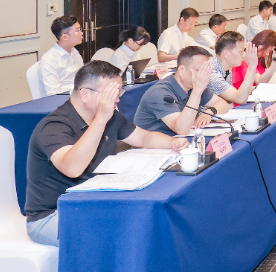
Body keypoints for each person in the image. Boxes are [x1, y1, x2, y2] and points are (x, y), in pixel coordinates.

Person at [24, 61, 188, 247]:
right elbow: (72, 168)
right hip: (55, 215)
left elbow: (144, 138)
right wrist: (101, 119)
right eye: (111, 94)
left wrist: (173, 142)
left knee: (150, 218)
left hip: (93, 202)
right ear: (84, 94)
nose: (117, 100)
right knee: (127, 231)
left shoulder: (109, 117)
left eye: (119, 93)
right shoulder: (54, 126)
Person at [134, 46, 229, 137]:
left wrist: (209, 112)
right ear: (182, 70)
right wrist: (197, 91)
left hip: (179, 141)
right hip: (155, 146)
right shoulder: (160, 93)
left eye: (207, 70)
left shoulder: (192, 86)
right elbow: (181, 129)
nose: (204, 75)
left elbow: (223, 104)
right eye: (200, 70)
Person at [205, 31, 263, 106]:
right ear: (226, 54)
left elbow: (229, 99)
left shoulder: (226, 69)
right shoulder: (212, 73)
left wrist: (247, 90)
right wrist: (251, 67)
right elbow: (240, 99)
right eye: (241, 51)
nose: (244, 55)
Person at [40, 16, 85, 95]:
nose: (81, 33)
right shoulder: (49, 59)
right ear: (65, 37)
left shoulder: (74, 52)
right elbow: (53, 93)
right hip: (66, 99)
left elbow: (83, 78)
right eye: (77, 30)